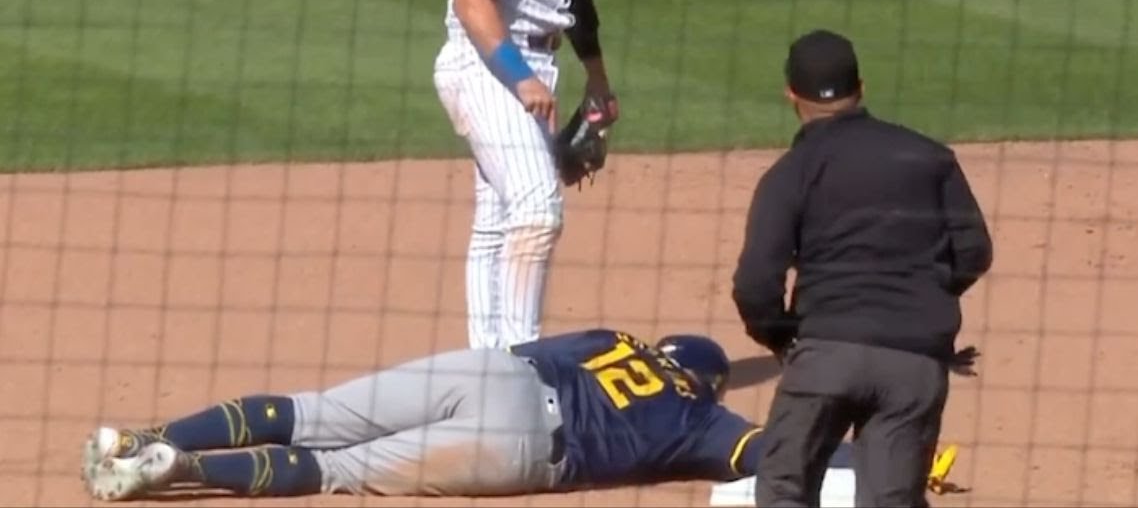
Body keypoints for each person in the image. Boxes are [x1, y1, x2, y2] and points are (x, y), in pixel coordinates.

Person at [730, 29, 994, 507]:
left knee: (784, 487)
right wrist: (923, 302)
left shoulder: (790, 173)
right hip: (915, 365)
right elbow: (974, 253)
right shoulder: (929, 157)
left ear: (790, 94)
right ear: (862, 87)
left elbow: (755, 285)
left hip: (825, 358)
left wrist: (784, 337)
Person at [78, 329, 767, 501]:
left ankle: (147, 436)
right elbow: (767, 453)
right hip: (525, 446)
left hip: (495, 372)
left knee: (311, 411)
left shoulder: (616, 339)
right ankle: (187, 468)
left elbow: (525, 349)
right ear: (706, 383)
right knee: (335, 469)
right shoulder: (700, 418)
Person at [432, 0, 643, 350]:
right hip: (483, 60)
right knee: (537, 211)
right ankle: (523, 363)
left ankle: (486, 363)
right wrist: (519, 78)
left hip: (535, 63)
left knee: (499, 218)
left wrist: (596, 77)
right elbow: (471, 0)